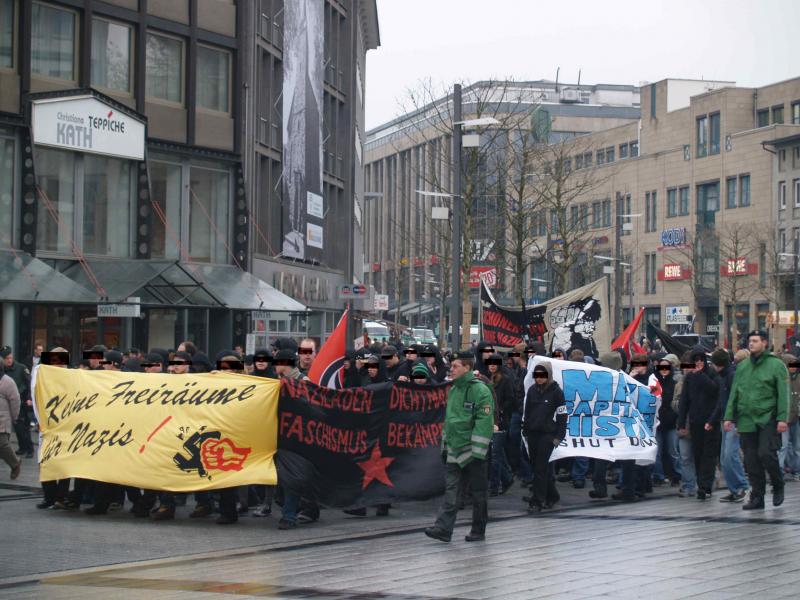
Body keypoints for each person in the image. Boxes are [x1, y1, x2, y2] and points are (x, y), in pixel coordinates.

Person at [425, 350, 494, 543]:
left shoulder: (480, 390)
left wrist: (477, 451)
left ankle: (478, 530)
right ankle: (443, 529)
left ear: (467, 367)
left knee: (478, 494)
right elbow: (450, 421)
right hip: (455, 450)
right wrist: (445, 446)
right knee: (451, 491)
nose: (451, 369)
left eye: (455, 366)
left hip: (473, 452)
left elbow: (484, 421)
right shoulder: (454, 389)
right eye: (451, 366)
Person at [724, 330, 790, 510]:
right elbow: (734, 392)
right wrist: (729, 416)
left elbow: (783, 394)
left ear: (765, 343)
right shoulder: (743, 366)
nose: (751, 344)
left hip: (767, 417)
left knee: (766, 453)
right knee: (751, 460)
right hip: (746, 418)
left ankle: (778, 484)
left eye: (755, 341)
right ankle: (757, 497)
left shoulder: (776, 365)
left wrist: (782, 418)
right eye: (749, 341)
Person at [523, 360, 567, 512]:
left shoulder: (557, 392)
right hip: (533, 434)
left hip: (548, 435)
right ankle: (552, 495)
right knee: (538, 468)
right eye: (537, 375)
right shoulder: (532, 391)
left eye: (543, 375)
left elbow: (562, 416)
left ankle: (537, 500)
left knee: (540, 469)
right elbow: (527, 411)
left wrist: (558, 437)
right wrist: (526, 430)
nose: (539, 378)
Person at [677, 349, 720, 500]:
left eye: (701, 360)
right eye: (696, 360)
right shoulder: (689, 378)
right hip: (695, 422)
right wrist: (681, 423)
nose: (699, 363)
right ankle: (702, 484)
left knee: (708, 455)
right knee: (698, 454)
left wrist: (701, 375)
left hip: (710, 422)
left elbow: (714, 390)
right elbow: (684, 401)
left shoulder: (712, 374)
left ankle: (705, 486)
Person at [709, 349, 748, 503]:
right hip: (725, 420)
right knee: (725, 458)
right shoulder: (724, 376)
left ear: (718, 364)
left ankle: (741, 486)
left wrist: (737, 422)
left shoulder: (731, 376)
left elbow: (737, 400)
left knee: (730, 456)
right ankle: (734, 489)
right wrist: (712, 421)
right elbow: (722, 402)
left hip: (732, 421)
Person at [485, 353, 515, 496]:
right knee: (498, 454)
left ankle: (494, 486)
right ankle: (507, 478)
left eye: (494, 363)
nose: (492, 365)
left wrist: (501, 409)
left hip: (501, 420)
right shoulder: (487, 379)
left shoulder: (506, 380)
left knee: (495, 455)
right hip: (489, 419)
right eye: (490, 363)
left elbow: (511, 399)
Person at [653, 355, 681, 487]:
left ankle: (676, 475)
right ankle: (658, 475)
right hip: (657, 423)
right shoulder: (654, 384)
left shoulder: (674, 384)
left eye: (666, 367)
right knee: (657, 451)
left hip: (670, 423)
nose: (664, 370)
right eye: (661, 367)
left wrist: (672, 417)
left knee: (673, 451)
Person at [1, 346, 33, 459]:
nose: (9, 360)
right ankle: (22, 447)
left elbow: (30, 384)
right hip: (7, 403)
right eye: (6, 358)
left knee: (23, 427)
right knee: (15, 426)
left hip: (21, 401)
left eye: (10, 358)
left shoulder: (21, 368)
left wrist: (30, 398)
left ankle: (29, 449)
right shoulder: (3, 370)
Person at [779, 354, 800, 481]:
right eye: (791, 364)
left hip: (796, 417)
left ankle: (796, 470)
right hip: (784, 418)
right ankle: (780, 471)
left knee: (797, 447)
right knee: (783, 446)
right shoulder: (782, 379)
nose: (794, 367)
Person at [0, 369, 21, 480]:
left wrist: (14, 416)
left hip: (3, 419)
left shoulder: (7, 381)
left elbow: (15, 401)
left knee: (2, 444)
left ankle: (15, 463)